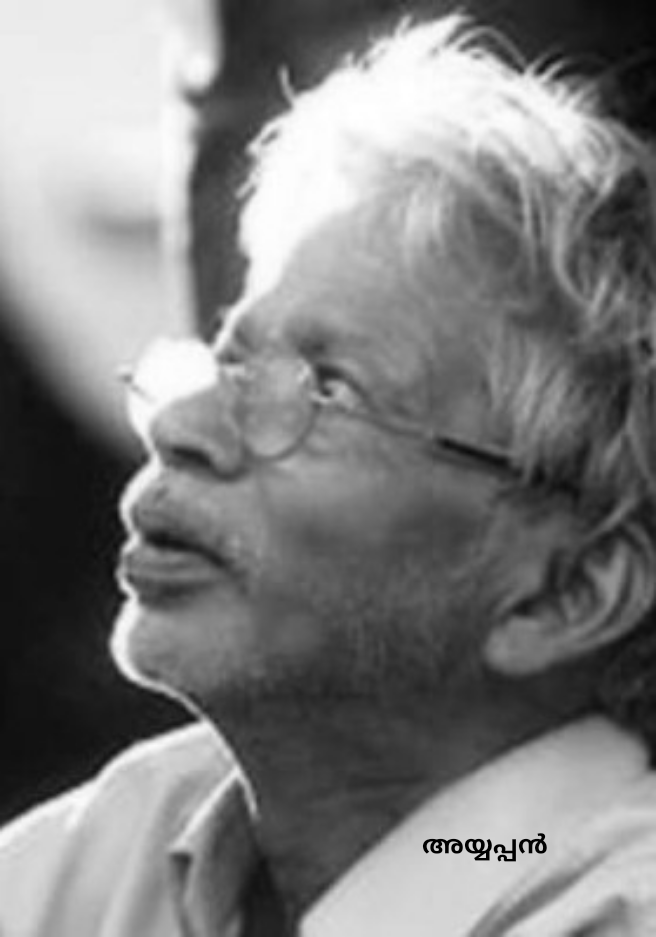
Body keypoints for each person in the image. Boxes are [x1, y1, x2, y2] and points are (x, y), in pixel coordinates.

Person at [3, 12, 656, 936]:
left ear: (567, 591)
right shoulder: (127, 834)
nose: (182, 428)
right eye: (228, 363)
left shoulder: (599, 895)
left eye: (323, 390)